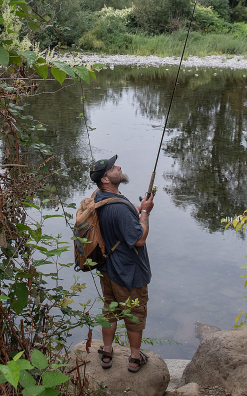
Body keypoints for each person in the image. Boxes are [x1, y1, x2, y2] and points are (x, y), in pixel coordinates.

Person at [89, 154, 154, 372]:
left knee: (110, 308)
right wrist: (145, 212)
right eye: (112, 168)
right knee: (135, 313)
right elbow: (139, 239)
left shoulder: (99, 197)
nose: (118, 167)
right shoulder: (117, 207)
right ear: (105, 179)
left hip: (106, 268)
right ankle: (135, 358)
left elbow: (118, 214)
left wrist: (136, 208)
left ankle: (107, 352)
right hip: (127, 272)